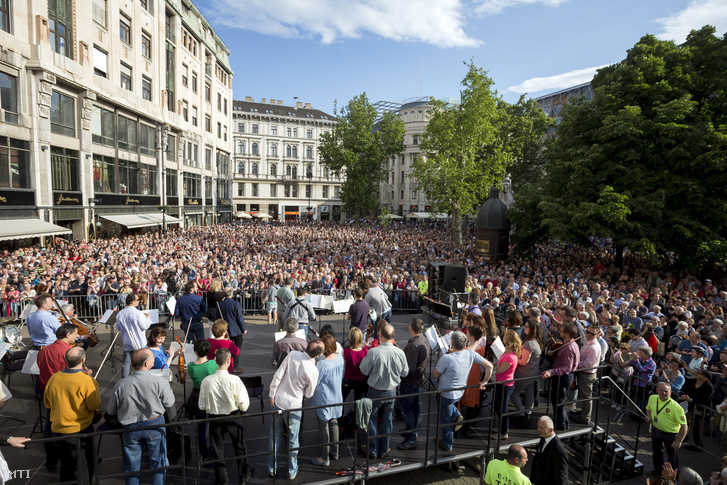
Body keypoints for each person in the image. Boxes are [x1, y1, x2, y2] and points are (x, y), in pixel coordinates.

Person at [107, 349, 175, 485]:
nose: (154, 360)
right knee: (158, 464)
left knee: (132, 468)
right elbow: (170, 403)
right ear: (146, 363)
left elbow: (110, 410)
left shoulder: (121, 384)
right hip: (154, 425)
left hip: (130, 427)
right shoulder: (160, 382)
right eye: (152, 358)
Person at [44, 347, 101, 485]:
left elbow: (47, 403)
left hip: (58, 430)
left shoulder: (54, 378)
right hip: (80, 429)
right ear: (83, 360)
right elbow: (94, 405)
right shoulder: (87, 381)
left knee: (66, 465)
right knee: (84, 466)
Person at [268, 340, 323, 480]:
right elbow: (309, 394)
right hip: (294, 406)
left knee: (274, 436)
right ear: (318, 355)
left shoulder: (292, 355)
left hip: (279, 401)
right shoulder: (314, 371)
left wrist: (272, 394)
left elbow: (278, 374)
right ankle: (292, 470)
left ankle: (272, 467)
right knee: (293, 438)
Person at [199, 347, 254, 485]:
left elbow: (202, 406)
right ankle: (243, 475)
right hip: (233, 417)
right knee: (240, 447)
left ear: (215, 361)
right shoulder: (235, 380)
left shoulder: (206, 381)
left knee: (218, 451)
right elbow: (244, 405)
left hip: (214, 418)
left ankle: (222, 480)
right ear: (229, 361)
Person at [433, 330, 493, 451]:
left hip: (446, 393)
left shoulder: (446, 358)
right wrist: (484, 381)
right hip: (460, 392)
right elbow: (490, 366)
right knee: (444, 405)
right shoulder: (470, 353)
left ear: (452, 343)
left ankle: (447, 444)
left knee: (446, 420)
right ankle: (456, 414)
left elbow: (435, 374)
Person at [359, 323, 409, 458]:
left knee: (372, 418)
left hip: (375, 390)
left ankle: (373, 451)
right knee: (388, 419)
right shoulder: (400, 352)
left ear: (380, 335)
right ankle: (384, 449)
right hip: (392, 391)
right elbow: (405, 373)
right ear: (393, 337)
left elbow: (363, 370)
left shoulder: (373, 352)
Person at [310, 335, 345, 466]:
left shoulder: (322, 364)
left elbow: (315, 381)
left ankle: (324, 457)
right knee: (334, 423)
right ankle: (335, 452)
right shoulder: (340, 358)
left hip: (324, 399)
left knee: (323, 426)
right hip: (336, 397)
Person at [397, 317, 431, 450]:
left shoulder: (413, 344)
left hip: (410, 381)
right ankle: (412, 431)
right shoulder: (424, 339)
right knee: (414, 406)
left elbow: (409, 369)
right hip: (417, 380)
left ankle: (411, 439)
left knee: (406, 409)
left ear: (411, 327)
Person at [542, 322, 580, 430]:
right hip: (564, 376)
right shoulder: (570, 343)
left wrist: (552, 372)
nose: (559, 332)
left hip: (563, 377)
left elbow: (567, 368)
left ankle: (561, 425)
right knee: (558, 401)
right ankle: (563, 422)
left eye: (562, 331)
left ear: (567, 335)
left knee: (559, 401)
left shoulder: (568, 347)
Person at [646, 382, 688, 476]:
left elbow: (684, 425)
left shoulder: (676, 407)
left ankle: (673, 478)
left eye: (666, 391)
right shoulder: (652, 398)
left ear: (670, 393)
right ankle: (658, 472)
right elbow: (648, 408)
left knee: (672, 457)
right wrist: (649, 417)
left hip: (670, 435)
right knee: (656, 453)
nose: (663, 393)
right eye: (661, 390)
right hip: (656, 430)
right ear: (657, 390)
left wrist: (679, 440)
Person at [185, 339, 217, 459]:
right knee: (213, 423)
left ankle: (204, 452)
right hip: (211, 395)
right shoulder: (213, 364)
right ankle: (213, 448)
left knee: (201, 426)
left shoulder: (191, 366)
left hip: (197, 396)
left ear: (196, 352)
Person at [512, 320, 544, 427]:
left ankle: (521, 416)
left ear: (531, 330)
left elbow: (523, 362)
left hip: (524, 374)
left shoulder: (529, 344)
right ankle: (527, 413)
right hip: (533, 373)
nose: (524, 328)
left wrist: (513, 359)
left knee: (514, 394)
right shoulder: (537, 342)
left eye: (526, 326)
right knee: (529, 393)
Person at [115, 293, 154, 378]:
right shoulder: (138, 313)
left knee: (126, 364)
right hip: (139, 342)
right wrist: (148, 319)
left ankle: (125, 380)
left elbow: (118, 327)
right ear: (132, 302)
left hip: (127, 342)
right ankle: (143, 378)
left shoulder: (120, 313)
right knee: (142, 362)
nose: (139, 301)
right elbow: (145, 326)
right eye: (137, 300)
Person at [571, 323, 602, 425]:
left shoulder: (594, 347)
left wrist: (575, 364)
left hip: (587, 374)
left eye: (591, 333)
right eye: (587, 332)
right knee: (584, 395)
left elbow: (588, 364)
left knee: (587, 396)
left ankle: (585, 418)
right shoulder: (587, 342)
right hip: (583, 373)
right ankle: (583, 413)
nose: (588, 334)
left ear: (597, 335)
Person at [494, 329, 521, 439]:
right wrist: (495, 363)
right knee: (498, 407)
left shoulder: (510, 356)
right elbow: (500, 363)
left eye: (505, 336)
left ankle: (504, 432)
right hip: (501, 383)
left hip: (505, 385)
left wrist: (496, 366)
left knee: (502, 409)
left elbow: (500, 370)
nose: (503, 337)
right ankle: (502, 427)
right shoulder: (506, 351)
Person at [529, 416, 568, 485]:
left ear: (551, 430)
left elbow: (561, 478)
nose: (538, 429)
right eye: (538, 426)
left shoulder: (559, 451)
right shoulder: (544, 437)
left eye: (541, 428)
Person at [217, 287, 246, 370]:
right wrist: (243, 329)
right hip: (236, 330)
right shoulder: (235, 304)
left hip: (224, 330)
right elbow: (239, 318)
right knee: (237, 348)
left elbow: (218, 318)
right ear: (231, 294)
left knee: (225, 349)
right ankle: (235, 366)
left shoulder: (219, 304)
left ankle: (226, 364)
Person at [342, 326, 369, 401]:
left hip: (349, 378)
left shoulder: (346, 351)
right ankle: (357, 412)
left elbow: (344, 366)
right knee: (358, 400)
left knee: (342, 399)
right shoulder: (365, 351)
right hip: (360, 379)